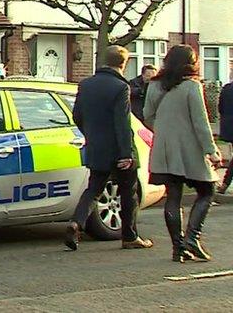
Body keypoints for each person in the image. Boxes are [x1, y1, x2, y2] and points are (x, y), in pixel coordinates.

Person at [64, 45, 153, 252]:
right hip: (118, 149)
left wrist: (91, 135)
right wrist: (126, 154)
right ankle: (130, 236)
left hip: (96, 147)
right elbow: (122, 122)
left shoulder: (86, 84)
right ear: (124, 63)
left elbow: (77, 115)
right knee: (128, 192)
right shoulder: (121, 87)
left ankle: (76, 223)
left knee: (94, 189)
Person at [144, 45, 223, 262]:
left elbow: (148, 116)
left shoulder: (155, 85)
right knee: (208, 190)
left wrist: (164, 132)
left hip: (163, 149)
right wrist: (212, 151)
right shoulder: (191, 86)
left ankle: (178, 248)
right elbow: (200, 122)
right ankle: (192, 238)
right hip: (189, 148)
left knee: (173, 195)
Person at [218, 75, 233, 194]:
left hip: (228, 127)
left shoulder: (226, 89)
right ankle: (225, 183)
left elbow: (220, 108)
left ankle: (225, 183)